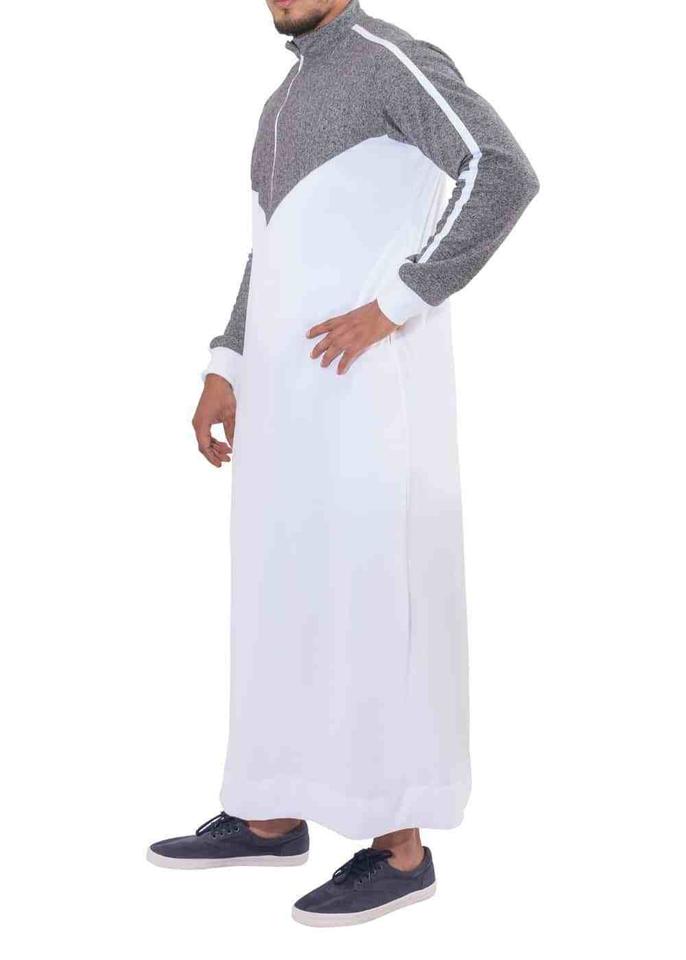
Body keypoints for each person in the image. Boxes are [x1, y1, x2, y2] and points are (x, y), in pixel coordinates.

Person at [148, 0, 538, 927]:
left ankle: (399, 850)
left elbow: (502, 170)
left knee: (374, 599)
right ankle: (272, 810)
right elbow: (270, 248)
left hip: (370, 401)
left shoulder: (387, 59)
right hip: (287, 410)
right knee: (284, 597)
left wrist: (396, 301)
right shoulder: (282, 99)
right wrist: (227, 363)